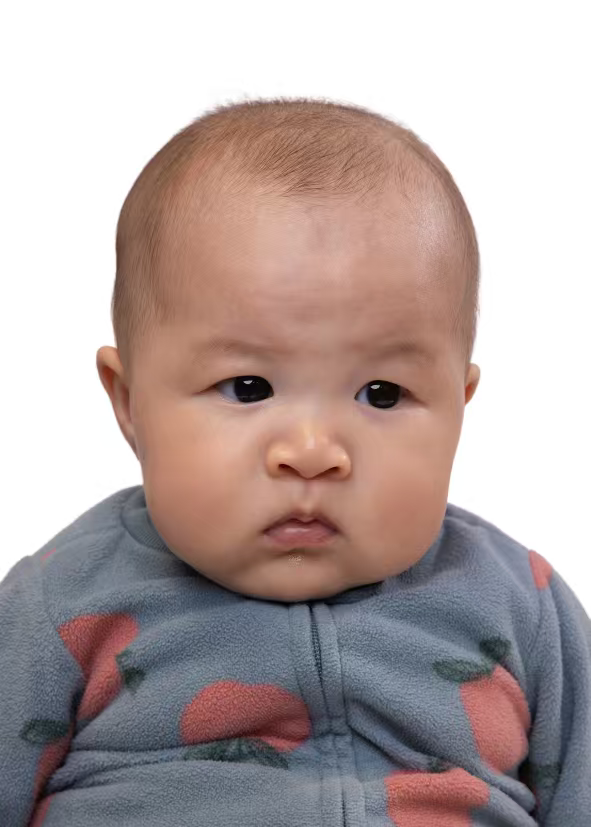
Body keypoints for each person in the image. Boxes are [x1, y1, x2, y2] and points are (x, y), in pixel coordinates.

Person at [1, 97, 589, 826]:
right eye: (248, 388)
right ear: (130, 400)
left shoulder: (521, 605)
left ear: (459, 406)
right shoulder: (59, 608)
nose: (312, 452)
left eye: (382, 393)